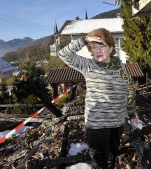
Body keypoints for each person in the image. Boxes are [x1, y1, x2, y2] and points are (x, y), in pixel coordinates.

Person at [58, 28, 138, 169]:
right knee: (100, 164)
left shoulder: (120, 67)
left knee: (111, 158)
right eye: (94, 47)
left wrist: (132, 114)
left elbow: (129, 90)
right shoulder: (88, 65)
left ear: (111, 48)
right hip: (97, 125)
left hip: (117, 123)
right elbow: (64, 54)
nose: (98, 50)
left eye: (102, 46)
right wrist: (85, 39)